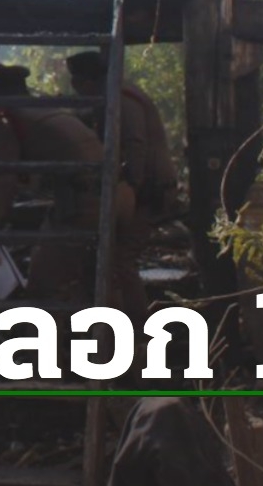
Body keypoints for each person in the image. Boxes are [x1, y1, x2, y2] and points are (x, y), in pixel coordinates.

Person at [0, 63, 135, 313]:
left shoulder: (7, 124)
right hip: (121, 196)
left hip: (87, 203)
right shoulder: (52, 111)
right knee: (104, 278)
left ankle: (45, 339)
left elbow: (5, 179)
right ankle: (130, 332)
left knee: (43, 285)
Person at [65, 50, 179, 323]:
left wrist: (132, 188)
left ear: (84, 81)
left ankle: (138, 326)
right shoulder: (120, 94)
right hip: (145, 186)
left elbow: (135, 144)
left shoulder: (123, 99)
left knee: (121, 259)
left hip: (149, 188)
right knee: (113, 256)